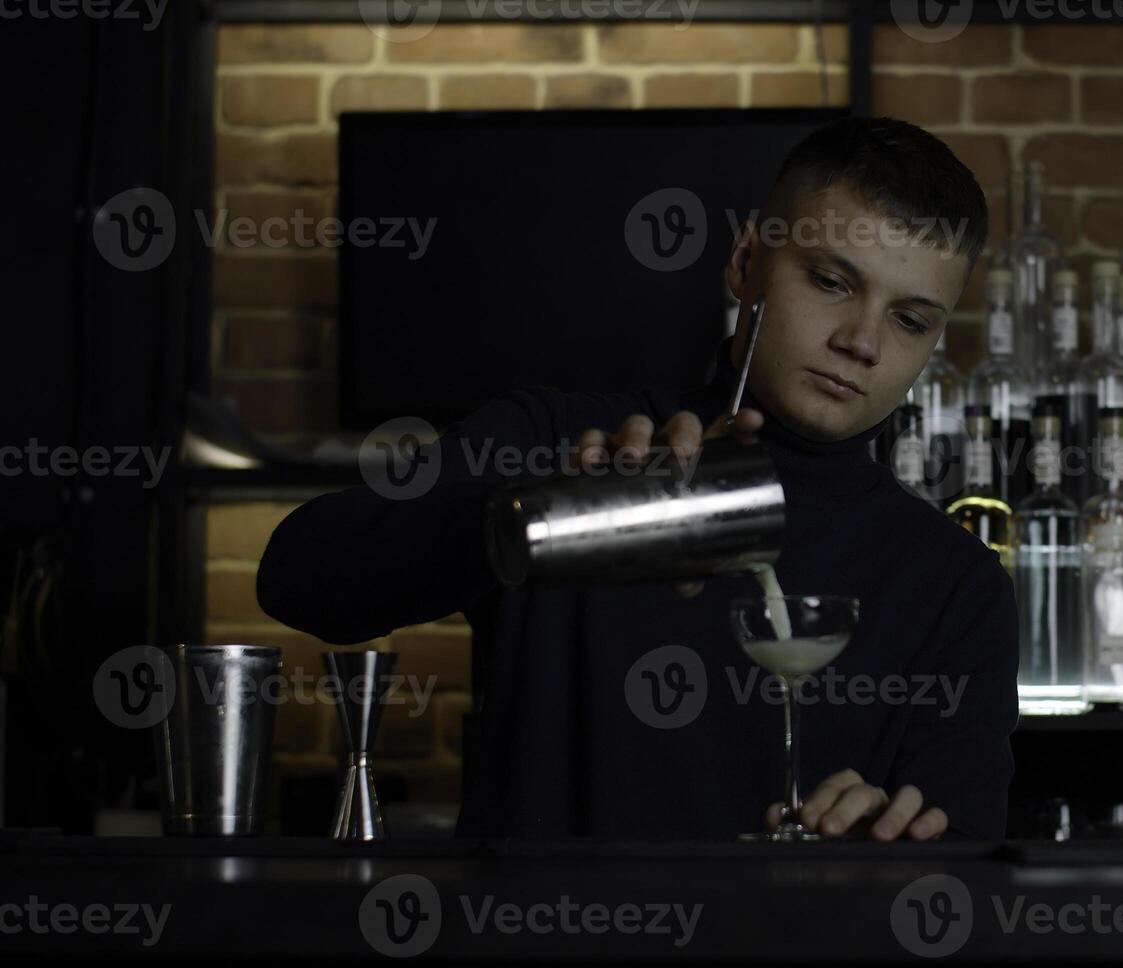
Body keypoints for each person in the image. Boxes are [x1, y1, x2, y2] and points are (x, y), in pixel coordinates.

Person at [257, 116, 1016, 841]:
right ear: (747, 262)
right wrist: (538, 517)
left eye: (910, 320)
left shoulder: (954, 584)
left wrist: (886, 837)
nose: (862, 342)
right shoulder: (555, 443)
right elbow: (298, 576)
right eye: (830, 282)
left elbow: (956, 868)